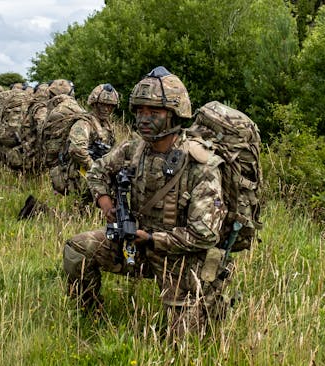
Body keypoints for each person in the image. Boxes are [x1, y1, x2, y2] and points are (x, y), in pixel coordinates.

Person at [62, 66, 230, 340]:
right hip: (136, 245)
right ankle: (92, 317)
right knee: (77, 250)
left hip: (181, 260)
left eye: (154, 112)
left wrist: (153, 238)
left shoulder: (200, 164)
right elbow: (96, 172)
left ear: (174, 114)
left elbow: (205, 234)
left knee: (183, 344)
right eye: (140, 111)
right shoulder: (134, 149)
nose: (144, 119)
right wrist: (106, 203)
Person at [50, 83, 119, 199]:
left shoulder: (107, 126)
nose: (106, 109)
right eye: (102, 105)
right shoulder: (84, 123)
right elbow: (77, 150)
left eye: (110, 105)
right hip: (79, 176)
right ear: (94, 104)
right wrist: (95, 168)